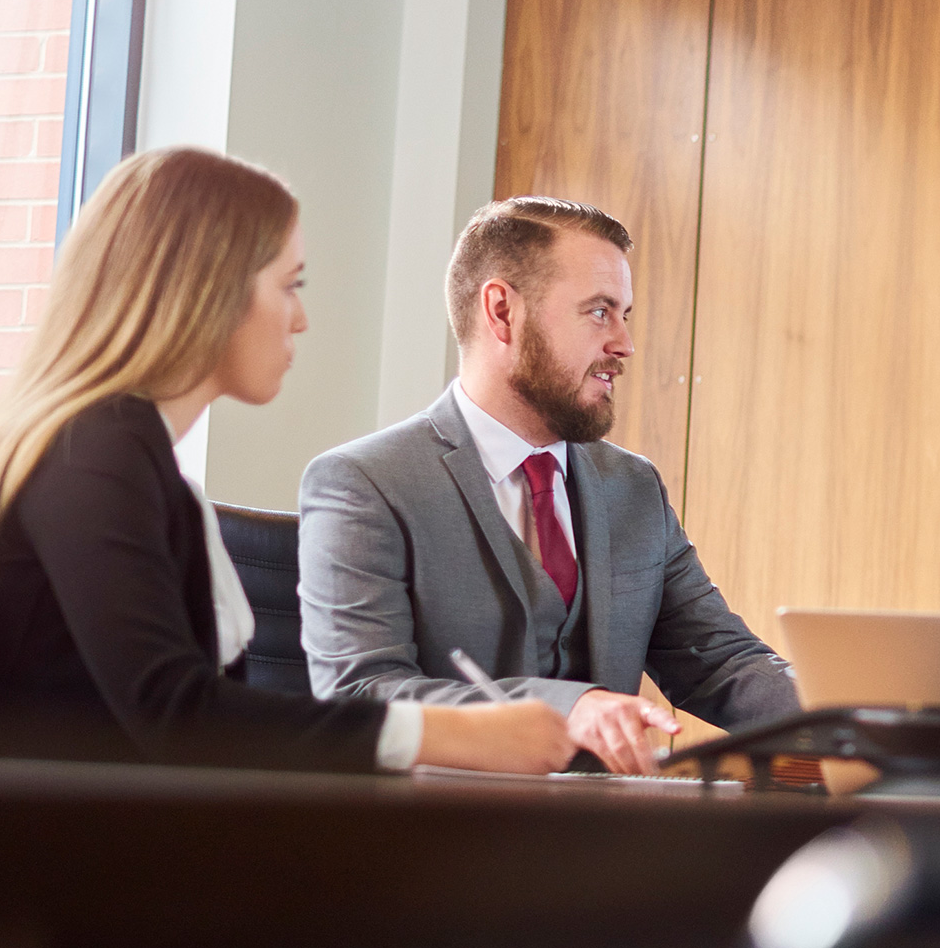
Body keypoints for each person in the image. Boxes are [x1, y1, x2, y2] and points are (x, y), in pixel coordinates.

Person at [0, 148, 573, 774]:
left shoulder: (136, 464)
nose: (301, 320)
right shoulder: (94, 454)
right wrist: (445, 733)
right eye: (289, 286)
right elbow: (175, 715)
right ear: (206, 289)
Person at [298, 197, 799, 774]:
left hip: (603, 838)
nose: (624, 345)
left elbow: (720, 661)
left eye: (625, 315)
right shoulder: (364, 483)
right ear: (502, 312)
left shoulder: (633, 487)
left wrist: (867, 715)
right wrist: (571, 706)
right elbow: (359, 693)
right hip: (437, 840)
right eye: (598, 312)